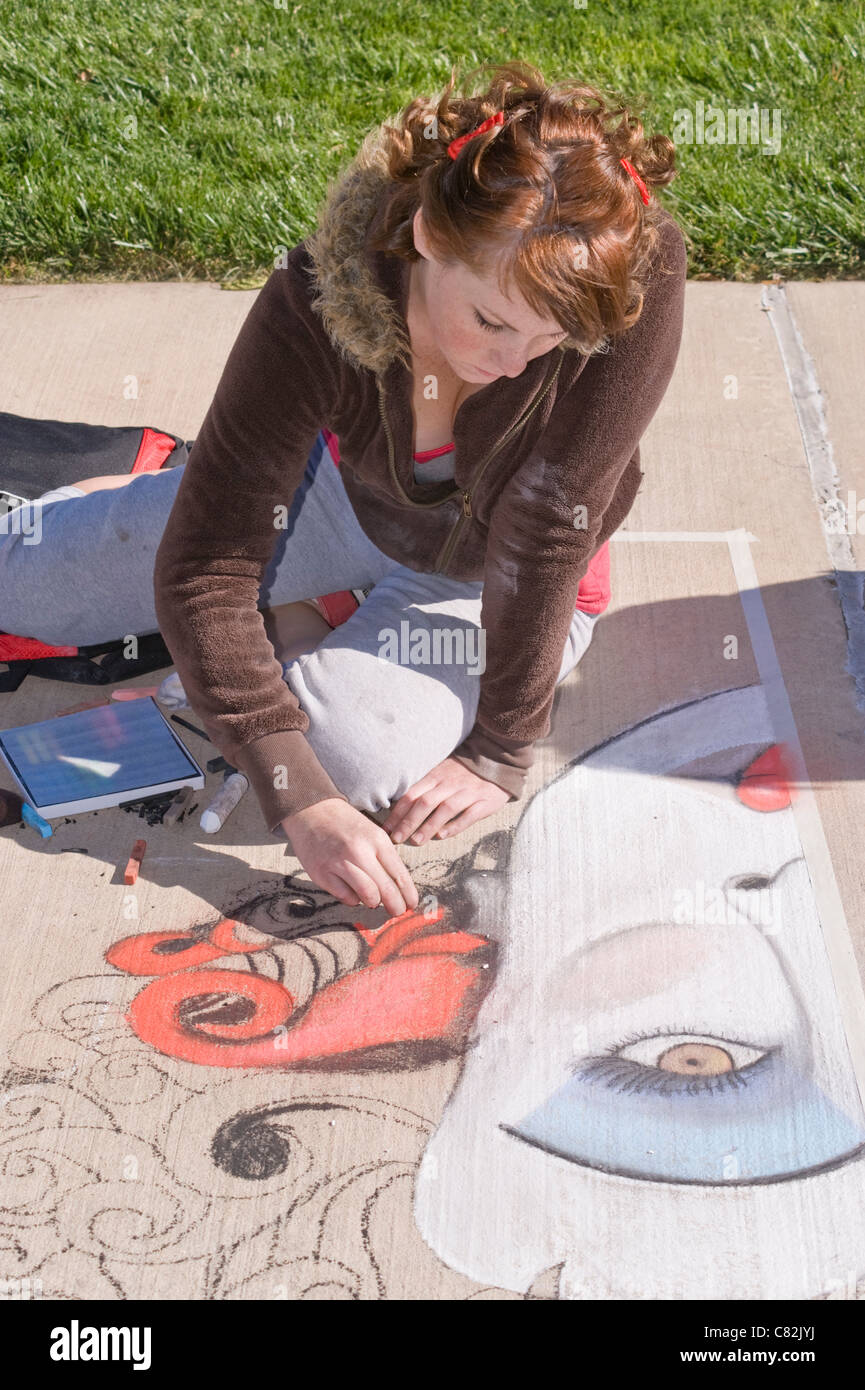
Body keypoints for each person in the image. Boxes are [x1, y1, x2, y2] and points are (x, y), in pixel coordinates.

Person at [0, 61, 687, 917]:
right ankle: (189, 489)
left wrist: (500, 749)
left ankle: (300, 601)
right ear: (430, 238)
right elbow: (209, 567)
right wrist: (296, 801)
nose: (515, 362)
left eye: (551, 339)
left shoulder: (627, 271)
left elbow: (547, 531)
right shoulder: (315, 301)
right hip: (343, 499)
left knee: (348, 760)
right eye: (492, 322)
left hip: (497, 575)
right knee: (20, 582)